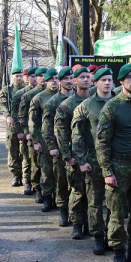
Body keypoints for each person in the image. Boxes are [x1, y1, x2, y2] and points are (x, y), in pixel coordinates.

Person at [96, 63, 131, 262]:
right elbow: (102, 142)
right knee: (116, 211)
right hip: (118, 165)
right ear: (122, 82)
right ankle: (119, 252)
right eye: (130, 77)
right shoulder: (111, 107)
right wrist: (107, 171)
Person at [72, 67, 114, 254]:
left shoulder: (119, 102)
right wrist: (81, 160)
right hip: (94, 160)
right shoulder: (86, 105)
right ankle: (98, 235)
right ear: (95, 82)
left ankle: (113, 236)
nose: (107, 83)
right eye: (103, 80)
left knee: (116, 203)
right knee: (95, 201)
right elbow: (77, 135)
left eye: (109, 79)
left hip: (117, 160)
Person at [55, 66, 93, 239]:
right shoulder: (66, 105)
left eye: (88, 77)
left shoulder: (97, 101)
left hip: (95, 155)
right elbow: (61, 132)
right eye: (81, 77)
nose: (86, 80)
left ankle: (92, 225)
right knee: (78, 190)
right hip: (76, 156)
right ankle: (77, 223)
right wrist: (67, 155)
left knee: (94, 194)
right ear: (75, 81)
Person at [42, 67, 75, 224]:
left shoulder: (82, 99)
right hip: (60, 148)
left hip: (79, 148)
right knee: (61, 180)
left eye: (71, 78)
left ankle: (77, 215)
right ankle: (63, 210)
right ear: (61, 82)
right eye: (65, 79)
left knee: (77, 184)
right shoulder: (53, 102)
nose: (69, 81)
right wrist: (52, 146)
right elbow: (47, 127)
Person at [29, 68, 61, 212]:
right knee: (47, 171)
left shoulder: (66, 96)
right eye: (51, 79)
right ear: (46, 81)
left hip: (62, 139)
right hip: (44, 139)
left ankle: (60, 199)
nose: (54, 81)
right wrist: (36, 141)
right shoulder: (39, 98)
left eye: (56, 78)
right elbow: (33, 122)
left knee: (60, 172)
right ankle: (47, 197)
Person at [19, 67, 47, 202]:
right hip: (34, 134)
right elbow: (23, 116)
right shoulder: (29, 95)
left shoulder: (55, 94)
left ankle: (48, 191)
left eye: (44, 75)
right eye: (40, 76)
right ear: (35, 78)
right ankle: (36, 188)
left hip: (49, 136)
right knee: (35, 163)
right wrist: (27, 132)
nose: (42, 78)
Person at [14, 67, 38, 194]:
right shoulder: (22, 94)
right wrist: (22, 131)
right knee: (27, 158)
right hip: (26, 132)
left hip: (38, 132)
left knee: (37, 160)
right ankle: (27, 182)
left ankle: (37, 184)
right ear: (28, 78)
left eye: (37, 76)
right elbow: (17, 115)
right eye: (32, 76)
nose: (35, 79)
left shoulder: (43, 93)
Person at [0, 68, 25, 187]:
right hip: (12, 124)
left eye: (20, 76)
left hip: (24, 123)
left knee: (24, 150)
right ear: (12, 77)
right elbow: (3, 105)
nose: (19, 78)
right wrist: (8, 116)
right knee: (13, 149)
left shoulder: (27, 89)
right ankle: (15, 174)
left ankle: (25, 175)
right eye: (17, 76)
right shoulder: (7, 90)